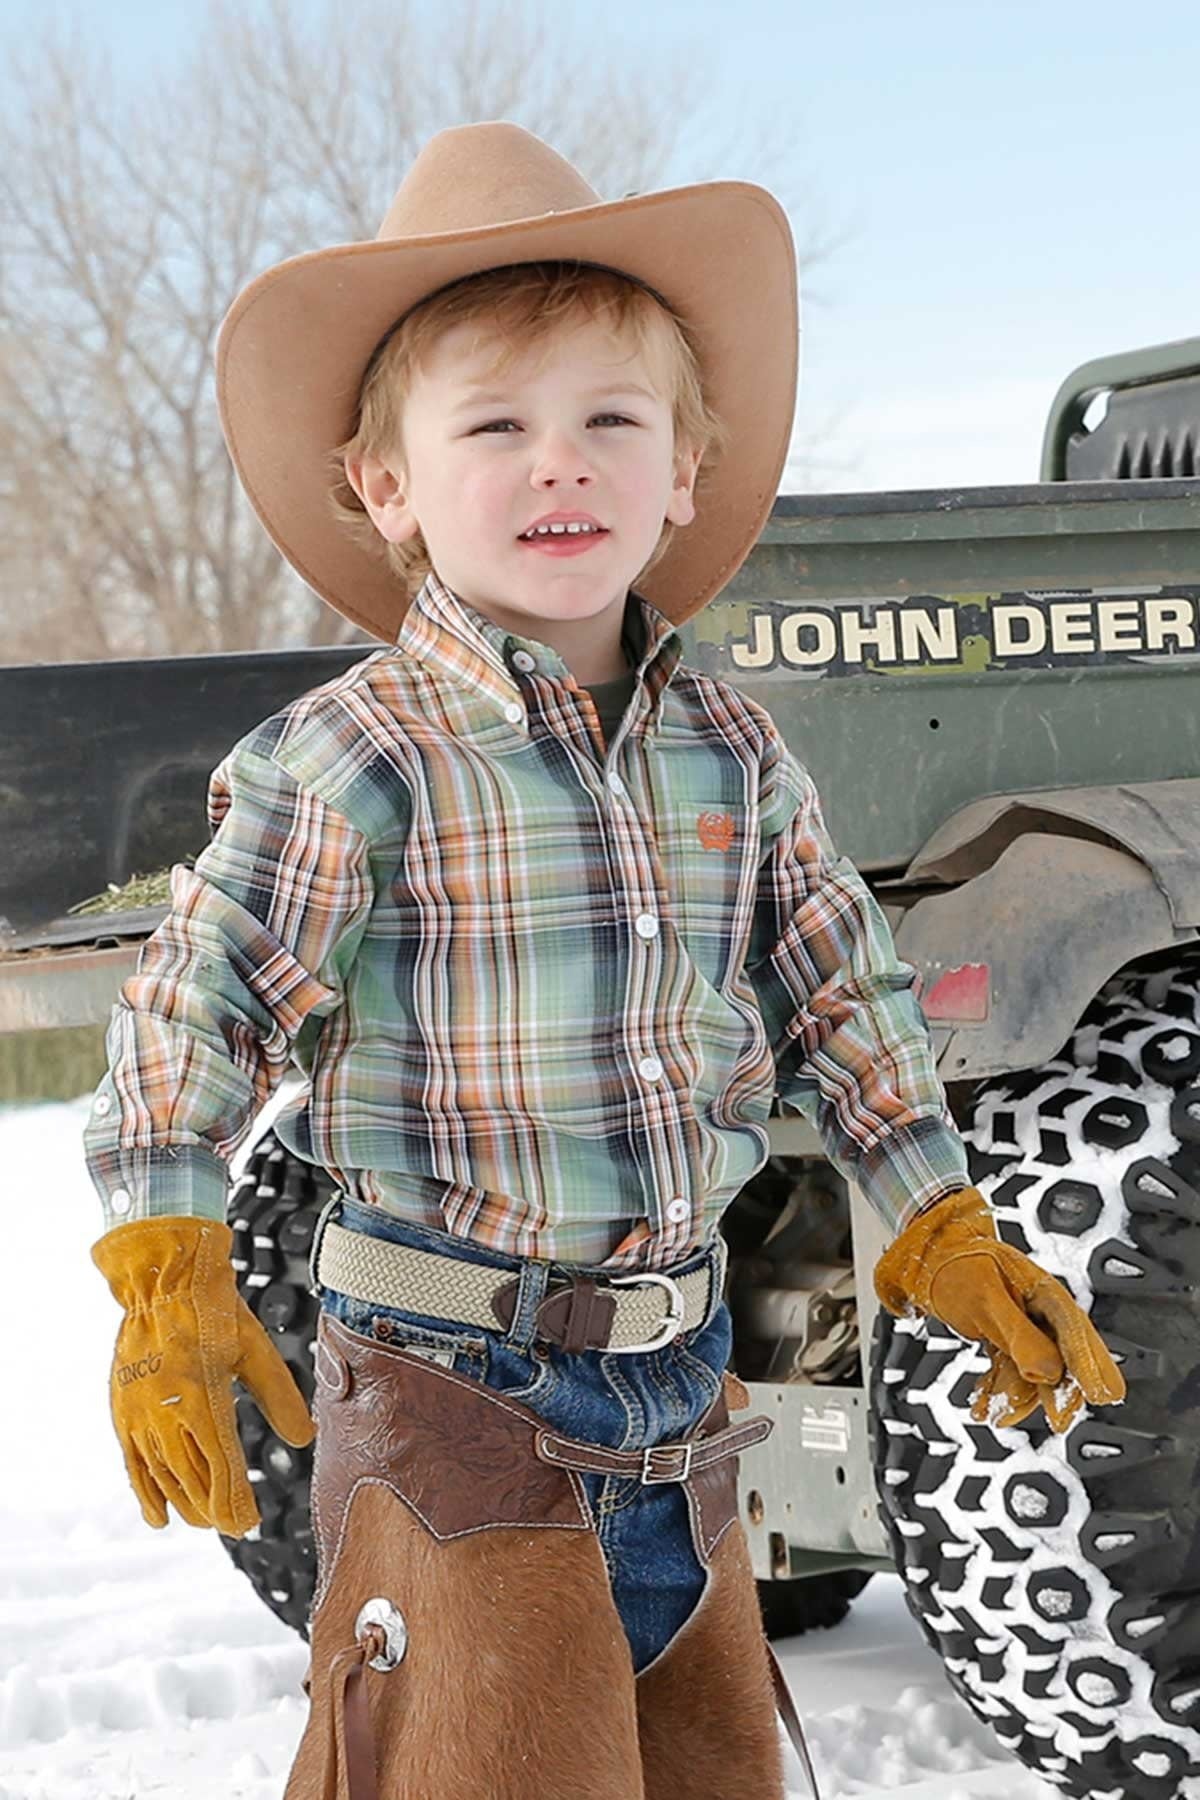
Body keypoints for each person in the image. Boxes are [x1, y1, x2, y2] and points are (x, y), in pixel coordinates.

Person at [83, 122, 1125, 1800]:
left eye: (609, 423)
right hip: (453, 1393)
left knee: (707, 1774)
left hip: (680, 1391)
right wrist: (168, 1270)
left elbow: (842, 1002)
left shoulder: (731, 749)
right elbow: (192, 1010)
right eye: (495, 425)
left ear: (683, 475)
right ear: (389, 486)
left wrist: (936, 1220)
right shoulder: (354, 760)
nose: (559, 464)